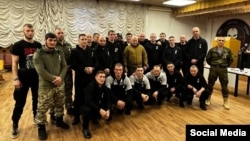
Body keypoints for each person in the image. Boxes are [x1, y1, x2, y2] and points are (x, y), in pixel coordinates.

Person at [33, 33, 69, 140]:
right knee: (42, 107)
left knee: (59, 103)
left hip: (59, 84)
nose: (53, 42)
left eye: (54, 40)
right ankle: (41, 127)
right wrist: (54, 79)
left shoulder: (59, 52)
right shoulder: (38, 54)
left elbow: (64, 66)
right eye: (50, 40)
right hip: (46, 86)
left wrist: (61, 78)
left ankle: (59, 121)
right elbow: (41, 71)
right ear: (45, 41)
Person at [10, 24, 42, 139]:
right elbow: (14, 63)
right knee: (20, 102)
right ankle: (15, 123)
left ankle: (37, 118)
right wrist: (15, 79)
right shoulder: (18, 45)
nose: (30, 32)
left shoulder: (38, 45)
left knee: (37, 100)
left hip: (36, 77)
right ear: (23, 31)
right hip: (22, 77)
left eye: (32, 30)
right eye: (27, 31)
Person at [70, 34, 99, 125]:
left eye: (86, 39)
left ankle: (93, 116)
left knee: (92, 96)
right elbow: (73, 65)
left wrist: (93, 68)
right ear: (78, 40)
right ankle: (76, 116)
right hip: (80, 77)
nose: (84, 41)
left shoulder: (91, 50)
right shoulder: (74, 51)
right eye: (82, 39)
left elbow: (96, 62)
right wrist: (84, 69)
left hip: (90, 78)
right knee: (78, 97)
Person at [48, 28, 73, 125]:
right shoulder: (53, 46)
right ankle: (53, 113)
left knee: (68, 90)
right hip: (57, 74)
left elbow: (71, 58)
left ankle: (69, 107)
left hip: (68, 73)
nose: (61, 34)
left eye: (62, 32)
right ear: (55, 35)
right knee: (55, 94)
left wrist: (70, 65)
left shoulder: (68, 45)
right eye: (58, 33)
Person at [80, 70, 112, 139]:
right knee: (87, 110)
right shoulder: (90, 86)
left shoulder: (105, 88)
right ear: (95, 77)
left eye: (104, 77)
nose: (102, 79)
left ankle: (94, 117)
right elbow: (88, 102)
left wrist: (108, 110)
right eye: (100, 77)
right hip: (86, 105)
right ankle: (85, 128)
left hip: (97, 105)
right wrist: (100, 110)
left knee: (109, 117)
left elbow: (108, 101)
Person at [206, 37, 234, 110]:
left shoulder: (228, 50)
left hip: (223, 69)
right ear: (216, 41)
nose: (221, 41)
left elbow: (231, 59)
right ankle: (208, 99)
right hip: (213, 69)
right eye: (219, 40)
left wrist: (225, 65)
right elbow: (208, 59)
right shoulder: (212, 50)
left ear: (224, 42)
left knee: (224, 86)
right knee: (210, 84)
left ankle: (226, 101)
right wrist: (213, 65)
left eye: (222, 40)